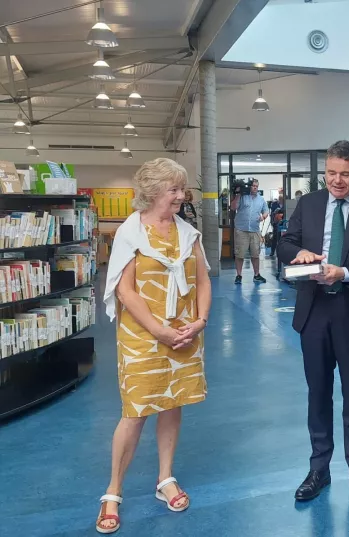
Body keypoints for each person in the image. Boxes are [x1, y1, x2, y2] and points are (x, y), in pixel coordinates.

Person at [98, 158, 212, 534]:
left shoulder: (187, 233)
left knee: (173, 403)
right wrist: (157, 330)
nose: (181, 196)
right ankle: (113, 491)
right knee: (136, 410)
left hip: (184, 334)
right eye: (173, 190)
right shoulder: (131, 234)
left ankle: (165, 478)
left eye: (181, 189)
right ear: (151, 193)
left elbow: (203, 280)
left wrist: (200, 321)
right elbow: (124, 289)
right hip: (143, 337)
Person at [277, 140, 349, 505]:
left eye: (345, 174)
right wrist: (300, 254)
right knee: (318, 392)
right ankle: (319, 469)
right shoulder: (309, 204)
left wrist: (342, 272)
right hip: (314, 312)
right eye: (330, 173)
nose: (337, 181)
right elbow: (285, 243)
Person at [230, 179, 268, 284]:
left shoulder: (261, 199)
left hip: (254, 230)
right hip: (241, 229)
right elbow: (233, 207)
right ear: (249, 187)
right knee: (240, 254)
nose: (255, 187)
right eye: (253, 186)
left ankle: (256, 275)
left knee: (255, 254)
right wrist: (238, 194)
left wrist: (263, 217)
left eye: (257, 186)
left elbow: (266, 211)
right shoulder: (242, 197)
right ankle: (239, 275)